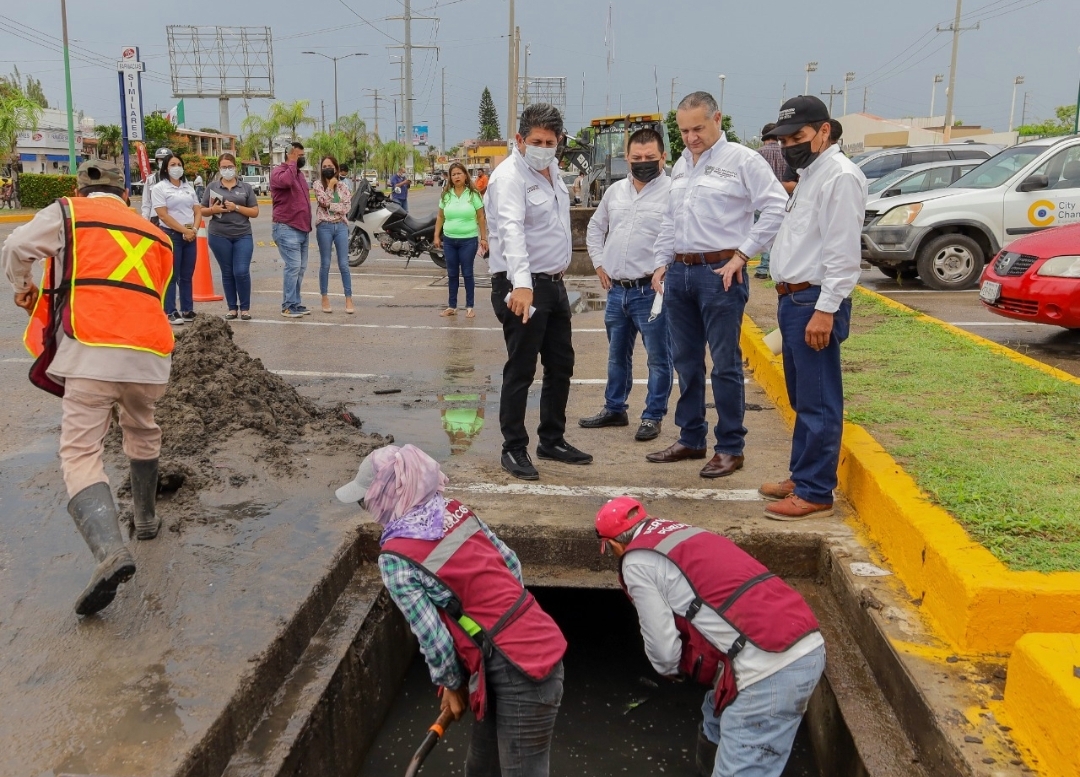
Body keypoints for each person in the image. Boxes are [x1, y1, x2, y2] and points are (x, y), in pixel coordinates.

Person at [3, 159, 174, 616]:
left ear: (81, 190)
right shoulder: (155, 234)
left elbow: (18, 245)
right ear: (126, 195)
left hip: (92, 345)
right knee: (141, 427)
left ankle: (109, 553)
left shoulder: (69, 212)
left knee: (80, 452)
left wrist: (23, 285)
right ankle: (146, 519)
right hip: (152, 354)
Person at [335, 444, 566, 776]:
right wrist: (472, 661)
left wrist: (452, 683)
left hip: (521, 669)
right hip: (528, 638)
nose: (368, 508)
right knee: (481, 767)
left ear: (387, 494)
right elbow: (511, 564)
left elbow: (435, 639)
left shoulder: (396, 558)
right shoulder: (455, 510)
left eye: (366, 499)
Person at [593, 496, 825, 777]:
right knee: (714, 715)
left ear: (615, 545)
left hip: (768, 668)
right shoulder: (684, 532)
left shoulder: (637, 561)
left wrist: (668, 671)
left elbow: (663, 649)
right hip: (803, 640)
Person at [648, 91, 787, 478]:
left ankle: (730, 447)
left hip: (719, 274)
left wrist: (742, 255)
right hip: (680, 273)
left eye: (698, 128)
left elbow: (776, 205)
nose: (691, 137)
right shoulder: (680, 166)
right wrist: (661, 263)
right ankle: (691, 438)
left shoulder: (743, 160)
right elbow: (670, 221)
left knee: (724, 364)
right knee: (687, 363)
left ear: (717, 119)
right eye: (684, 130)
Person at [759, 97, 867, 520]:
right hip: (795, 299)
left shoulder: (839, 177)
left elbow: (842, 254)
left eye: (798, 137)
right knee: (803, 397)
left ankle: (816, 491)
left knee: (819, 399)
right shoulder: (811, 175)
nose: (790, 146)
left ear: (824, 131)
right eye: (784, 139)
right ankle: (802, 476)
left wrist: (825, 310)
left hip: (814, 301)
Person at [486, 102, 592, 480]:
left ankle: (552, 439)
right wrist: (523, 286)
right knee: (521, 368)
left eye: (550, 141)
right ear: (519, 139)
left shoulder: (554, 173)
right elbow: (512, 231)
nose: (544, 147)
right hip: (522, 287)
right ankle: (513, 448)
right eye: (536, 140)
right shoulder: (509, 177)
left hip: (554, 285)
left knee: (561, 364)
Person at [580, 127, 673, 443]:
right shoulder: (614, 192)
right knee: (617, 355)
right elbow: (595, 228)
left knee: (659, 358)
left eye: (650, 157)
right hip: (617, 291)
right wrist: (599, 262)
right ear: (626, 158)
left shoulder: (674, 193)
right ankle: (614, 408)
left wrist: (666, 266)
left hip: (651, 292)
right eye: (637, 158)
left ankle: (652, 415)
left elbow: (682, 237)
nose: (643, 162)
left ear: (663, 157)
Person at [202, 152, 259, 321]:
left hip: (242, 234)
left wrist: (236, 207)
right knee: (227, 272)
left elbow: (255, 212)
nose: (227, 170)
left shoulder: (245, 188)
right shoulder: (212, 187)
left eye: (230, 167)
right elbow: (201, 209)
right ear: (219, 169)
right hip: (219, 235)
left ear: (235, 167)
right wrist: (213, 210)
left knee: (241, 271)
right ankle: (232, 308)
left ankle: (245, 308)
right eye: (224, 167)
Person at [434, 162, 488, 319]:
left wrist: (483, 238)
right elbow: (440, 216)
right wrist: (436, 235)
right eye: (453, 174)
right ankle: (452, 306)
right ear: (450, 178)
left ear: (465, 175)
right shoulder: (446, 195)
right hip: (450, 240)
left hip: (468, 240)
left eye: (459, 173)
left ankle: (470, 306)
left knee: (467, 273)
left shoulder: (473, 195)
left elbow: (480, 217)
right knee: (451, 273)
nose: (456, 176)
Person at [152, 152, 200, 325]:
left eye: (179, 164)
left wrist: (193, 229)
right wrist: (183, 231)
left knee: (187, 275)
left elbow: (197, 210)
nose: (176, 168)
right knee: (172, 275)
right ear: (166, 168)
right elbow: (163, 215)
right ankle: (170, 311)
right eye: (172, 165)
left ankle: (187, 309)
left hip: (190, 235)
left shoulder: (188, 187)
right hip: (171, 235)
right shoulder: (159, 188)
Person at [271, 141, 313, 319]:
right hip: (286, 227)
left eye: (303, 156)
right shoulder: (278, 172)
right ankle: (287, 305)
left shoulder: (299, 175)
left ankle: (295, 302)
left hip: (302, 229)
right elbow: (286, 182)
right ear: (290, 155)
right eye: (298, 155)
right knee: (293, 267)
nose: (301, 159)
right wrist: (292, 162)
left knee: (300, 268)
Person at [313, 155, 355, 315]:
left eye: (330, 166)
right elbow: (322, 201)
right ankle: (324, 297)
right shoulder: (318, 184)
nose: (327, 168)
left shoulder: (344, 186)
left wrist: (331, 205)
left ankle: (349, 299)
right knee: (325, 263)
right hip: (324, 227)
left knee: (344, 264)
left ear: (336, 168)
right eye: (324, 166)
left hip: (341, 227)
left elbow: (346, 207)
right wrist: (330, 186)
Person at [754, 123, 788, 280]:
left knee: (762, 233)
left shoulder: (757, 154)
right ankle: (775, 268)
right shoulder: (785, 153)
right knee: (779, 236)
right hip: (784, 200)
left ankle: (762, 268)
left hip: (759, 200)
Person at [140, 147, 176, 225]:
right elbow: (146, 202)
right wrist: (145, 220)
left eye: (165, 159)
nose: (163, 162)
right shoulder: (151, 179)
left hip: (173, 218)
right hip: (156, 218)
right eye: (160, 160)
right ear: (157, 161)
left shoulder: (177, 179)